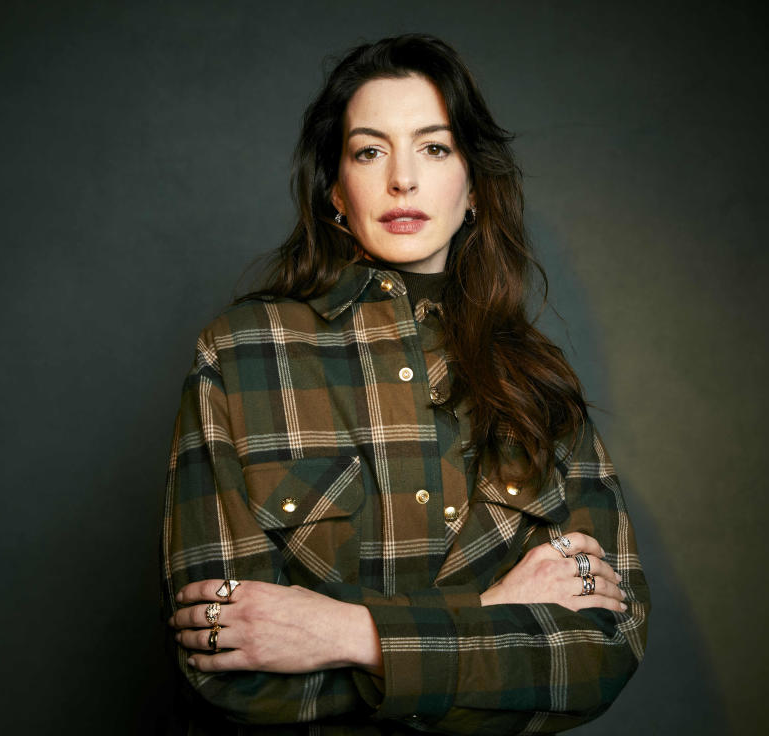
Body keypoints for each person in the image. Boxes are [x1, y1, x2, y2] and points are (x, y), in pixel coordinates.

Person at [161, 34, 650, 735]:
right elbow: (224, 661)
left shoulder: (538, 379)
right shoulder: (242, 352)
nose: (402, 180)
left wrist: (348, 633)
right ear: (334, 189)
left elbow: (605, 646)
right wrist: (491, 613)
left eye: (434, 147)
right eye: (369, 150)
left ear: (474, 184)